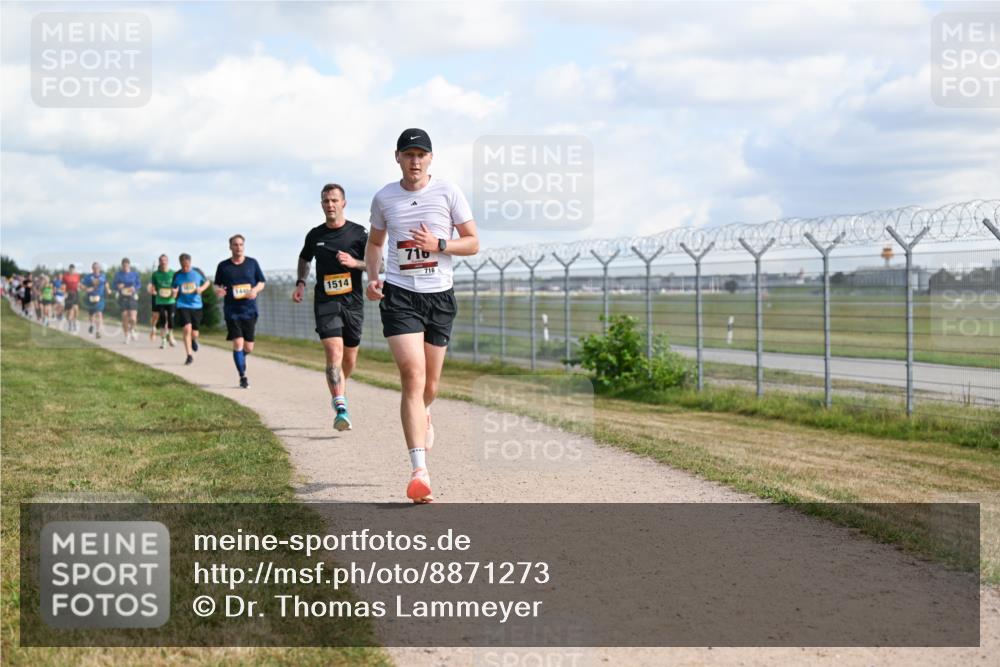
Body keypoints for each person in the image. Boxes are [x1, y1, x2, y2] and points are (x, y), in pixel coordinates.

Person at [365, 128, 479, 503]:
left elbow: (473, 242)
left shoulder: (448, 192)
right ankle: (419, 470)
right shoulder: (384, 197)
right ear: (397, 157)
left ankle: (425, 413)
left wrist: (439, 244)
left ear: (431, 158)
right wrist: (373, 277)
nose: (415, 161)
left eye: (421, 154)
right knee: (412, 377)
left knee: (430, 387)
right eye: (408, 154)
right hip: (400, 295)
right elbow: (376, 242)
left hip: (439, 297)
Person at [293, 184, 369, 431]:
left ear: (344, 203)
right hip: (326, 301)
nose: (330, 205)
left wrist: (354, 262)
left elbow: (374, 264)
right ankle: (340, 406)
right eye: (326, 201)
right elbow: (304, 258)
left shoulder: (358, 233)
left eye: (335, 200)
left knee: (349, 359)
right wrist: (301, 282)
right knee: (334, 353)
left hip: (353, 304)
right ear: (322, 204)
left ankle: (340, 389)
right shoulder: (315, 235)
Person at [214, 235, 266, 388]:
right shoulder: (223, 266)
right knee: (238, 342)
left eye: (241, 244)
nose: (238, 247)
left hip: (249, 310)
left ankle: (239, 358)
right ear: (230, 247)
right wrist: (218, 290)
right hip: (232, 310)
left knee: (248, 347)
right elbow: (217, 285)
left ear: (244, 246)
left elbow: (261, 282)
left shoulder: (252, 263)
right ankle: (243, 376)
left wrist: (255, 291)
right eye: (235, 245)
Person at [171, 253, 210, 365]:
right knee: (187, 329)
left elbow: (207, 282)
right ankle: (189, 355)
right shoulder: (177, 275)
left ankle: (193, 340)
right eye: (183, 266)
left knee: (195, 332)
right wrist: (174, 293)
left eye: (187, 266)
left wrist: (201, 288)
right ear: (180, 264)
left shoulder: (197, 271)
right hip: (183, 304)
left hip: (197, 305)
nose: (185, 268)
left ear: (190, 262)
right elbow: (173, 289)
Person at [148, 254, 176, 348]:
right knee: (163, 320)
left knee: (171, 320)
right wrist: (153, 290)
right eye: (161, 260)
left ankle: (170, 336)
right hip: (160, 301)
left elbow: (177, 286)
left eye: (165, 260)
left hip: (171, 300)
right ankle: (163, 340)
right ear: (159, 262)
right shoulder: (155, 274)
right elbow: (152, 285)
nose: (163, 262)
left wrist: (175, 291)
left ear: (167, 261)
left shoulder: (173, 273)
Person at [113, 258, 141, 343]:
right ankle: (126, 336)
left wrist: (134, 288)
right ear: (122, 266)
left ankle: (132, 330)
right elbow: (113, 285)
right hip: (122, 297)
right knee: (125, 317)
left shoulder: (134, 274)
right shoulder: (118, 274)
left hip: (132, 296)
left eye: (126, 265)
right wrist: (118, 286)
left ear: (129, 265)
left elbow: (139, 284)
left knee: (133, 318)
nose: (125, 267)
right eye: (124, 266)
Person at [81, 262, 109, 337]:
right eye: (94, 268)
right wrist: (87, 289)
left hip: (100, 298)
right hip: (91, 298)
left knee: (99, 313)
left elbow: (106, 283)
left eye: (97, 268)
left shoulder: (103, 276)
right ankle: (91, 324)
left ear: (99, 269)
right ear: (92, 269)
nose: (96, 269)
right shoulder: (88, 277)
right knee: (91, 314)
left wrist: (107, 289)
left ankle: (98, 331)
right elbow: (81, 285)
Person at [63, 264, 81, 332]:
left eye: (73, 269)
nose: (72, 270)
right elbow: (63, 285)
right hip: (68, 294)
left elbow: (78, 283)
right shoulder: (65, 276)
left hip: (75, 293)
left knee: (76, 309)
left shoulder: (77, 276)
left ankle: (74, 322)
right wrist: (64, 293)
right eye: (70, 269)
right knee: (69, 310)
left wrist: (79, 287)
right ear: (69, 269)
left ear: (74, 269)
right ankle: (70, 324)